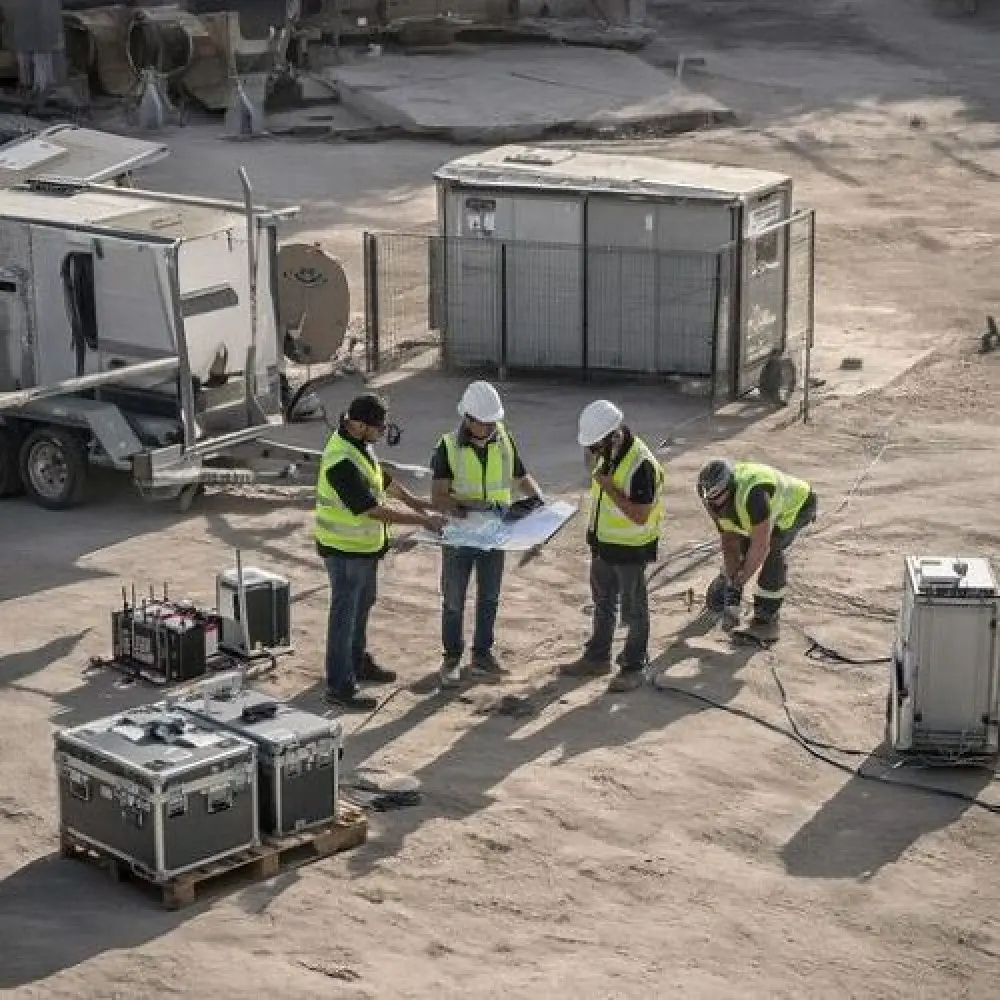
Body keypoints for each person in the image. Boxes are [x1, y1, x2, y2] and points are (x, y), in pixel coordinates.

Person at [316, 392, 447, 710]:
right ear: (359, 425)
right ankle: (339, 685)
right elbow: (370, 508)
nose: (382, 432)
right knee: (344, 616)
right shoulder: (340, 462)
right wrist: (420, 520)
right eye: (378, 427)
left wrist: (416, 502)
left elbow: (381, 479)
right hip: (344, 551)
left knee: (362, 606)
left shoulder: (358, 446)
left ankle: (357, 661)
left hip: (365, 549)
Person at [430, 380, 544, 688]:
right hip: (459, 537)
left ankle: (483, 654)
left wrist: (538, 500)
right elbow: (437, 497)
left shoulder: (503, 438)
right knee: (453, 599)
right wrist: (467, 504)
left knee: (489, 597)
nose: (492, 427)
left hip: (495, 536)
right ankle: (452, 656)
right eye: (485, 422)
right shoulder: (447, 446)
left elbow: (522, 477)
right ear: (468, 419)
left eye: (494, 421)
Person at [561, 400, 664, 692]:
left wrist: (609, 487)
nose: (591, 454)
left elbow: (640, 514)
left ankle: (634, 665)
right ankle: (597, 657)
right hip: (604, 546)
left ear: (612, 437)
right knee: (603, 604)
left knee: (634, 610)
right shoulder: (608, 455)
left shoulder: (640, 464)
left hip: (631, 550)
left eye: (594, 447)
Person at [696, 458, 818, 643]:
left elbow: (761, 546)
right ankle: (726, 584)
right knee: (744, 548)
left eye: (718, 499)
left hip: (796, 507)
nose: (714, 507)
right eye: (709, 501)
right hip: (759, 513)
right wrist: (732, 584)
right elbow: (730, 541)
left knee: (771, 552)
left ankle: (766, 617)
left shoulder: (754, 494)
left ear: (730, 487)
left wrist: (737, 585)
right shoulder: (711, 498)